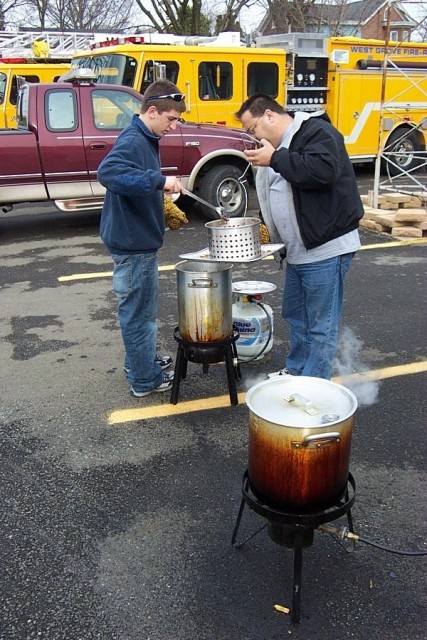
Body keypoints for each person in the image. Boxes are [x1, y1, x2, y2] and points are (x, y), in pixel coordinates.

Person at [235, 94, 364, 380]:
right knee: (297, 316)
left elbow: (322, 172)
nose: (252, 136)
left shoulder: (317, 131)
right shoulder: (280, 146)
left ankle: (314, 387)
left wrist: (275, 159)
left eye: (252, 128)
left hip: (325, 249)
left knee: (321, 326)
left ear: (269, 115)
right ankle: (296, 372)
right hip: (297, 251)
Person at [98, 80, 187, 397]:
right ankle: (144, 381)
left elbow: (133, 183)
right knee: (139, 318)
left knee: (140, 315)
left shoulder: (145, 138)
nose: (174, 127)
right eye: (171, 119)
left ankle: (140, 362)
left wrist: (158, 202)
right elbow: (108, 173)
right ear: (153, 111)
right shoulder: (135, 140)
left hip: (137, 239)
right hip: (133, 246)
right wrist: (160, 180)